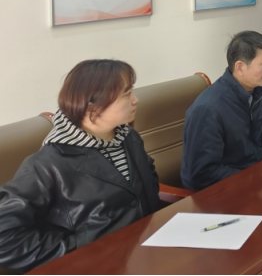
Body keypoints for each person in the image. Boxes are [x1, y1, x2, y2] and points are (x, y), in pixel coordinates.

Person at [0, 60, 160, 274]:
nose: (135, 99)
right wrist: (77, 247)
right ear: (92, 106)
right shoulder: (47, 164)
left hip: (141, 252)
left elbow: (147, 184)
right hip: (94, 265)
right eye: (127, 94)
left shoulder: (128, 138)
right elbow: (5, 238)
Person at [181, 31, 262, 191]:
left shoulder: (259, 92)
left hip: (259, 182)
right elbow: (202, 173)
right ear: (240, 67)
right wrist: (253, 179)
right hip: (225, 191)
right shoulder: (208, 109)